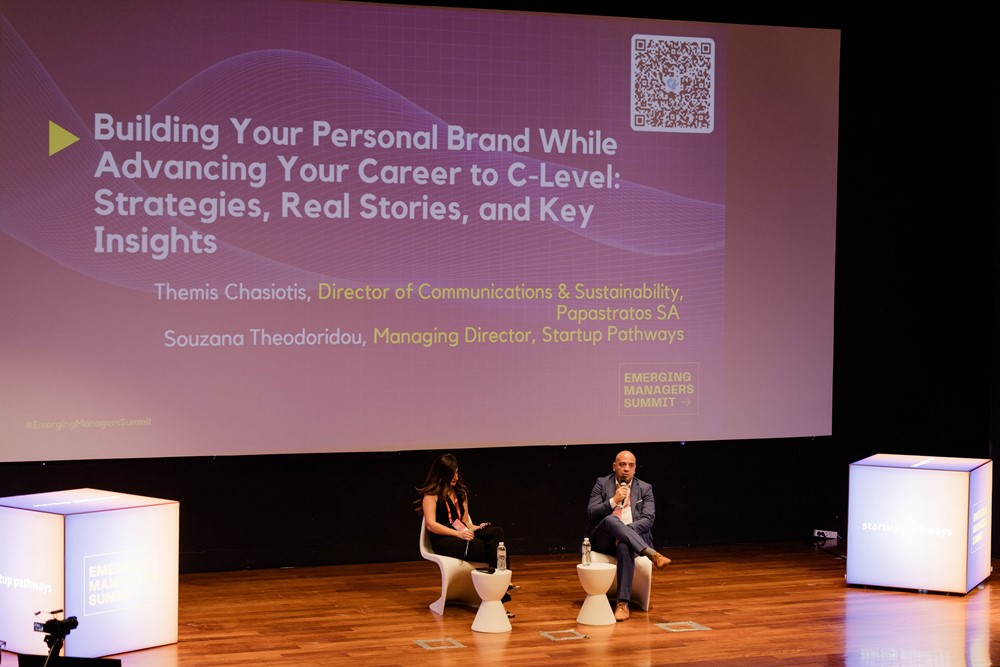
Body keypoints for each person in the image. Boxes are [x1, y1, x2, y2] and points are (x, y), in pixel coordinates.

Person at [585, 450, 670, 621]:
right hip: (605, 538)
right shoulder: (602, 483)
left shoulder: (645, 488)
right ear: (614, 466)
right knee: (611, 520)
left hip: (631, 538)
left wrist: (624, 531)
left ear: (635, 468)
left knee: (624, 545)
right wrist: (614, 500)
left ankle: (622, 604)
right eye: (622, 464)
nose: (626, 469)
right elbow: (592, 512)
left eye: (631, 465)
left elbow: (648, 519)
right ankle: (651, 554)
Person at [418, 453, 508, 573]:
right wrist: (458, 534)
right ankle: (497, 578)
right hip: (444, 539)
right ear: (442, 474)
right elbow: (431, 525)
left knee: (497, 532)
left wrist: (478, 527)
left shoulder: (460, 493)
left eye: (456, 473)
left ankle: (501, 578)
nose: (455, 477)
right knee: (486, 546)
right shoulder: (431, 495)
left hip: (462, 532)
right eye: (452, 474)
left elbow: (465, 522)